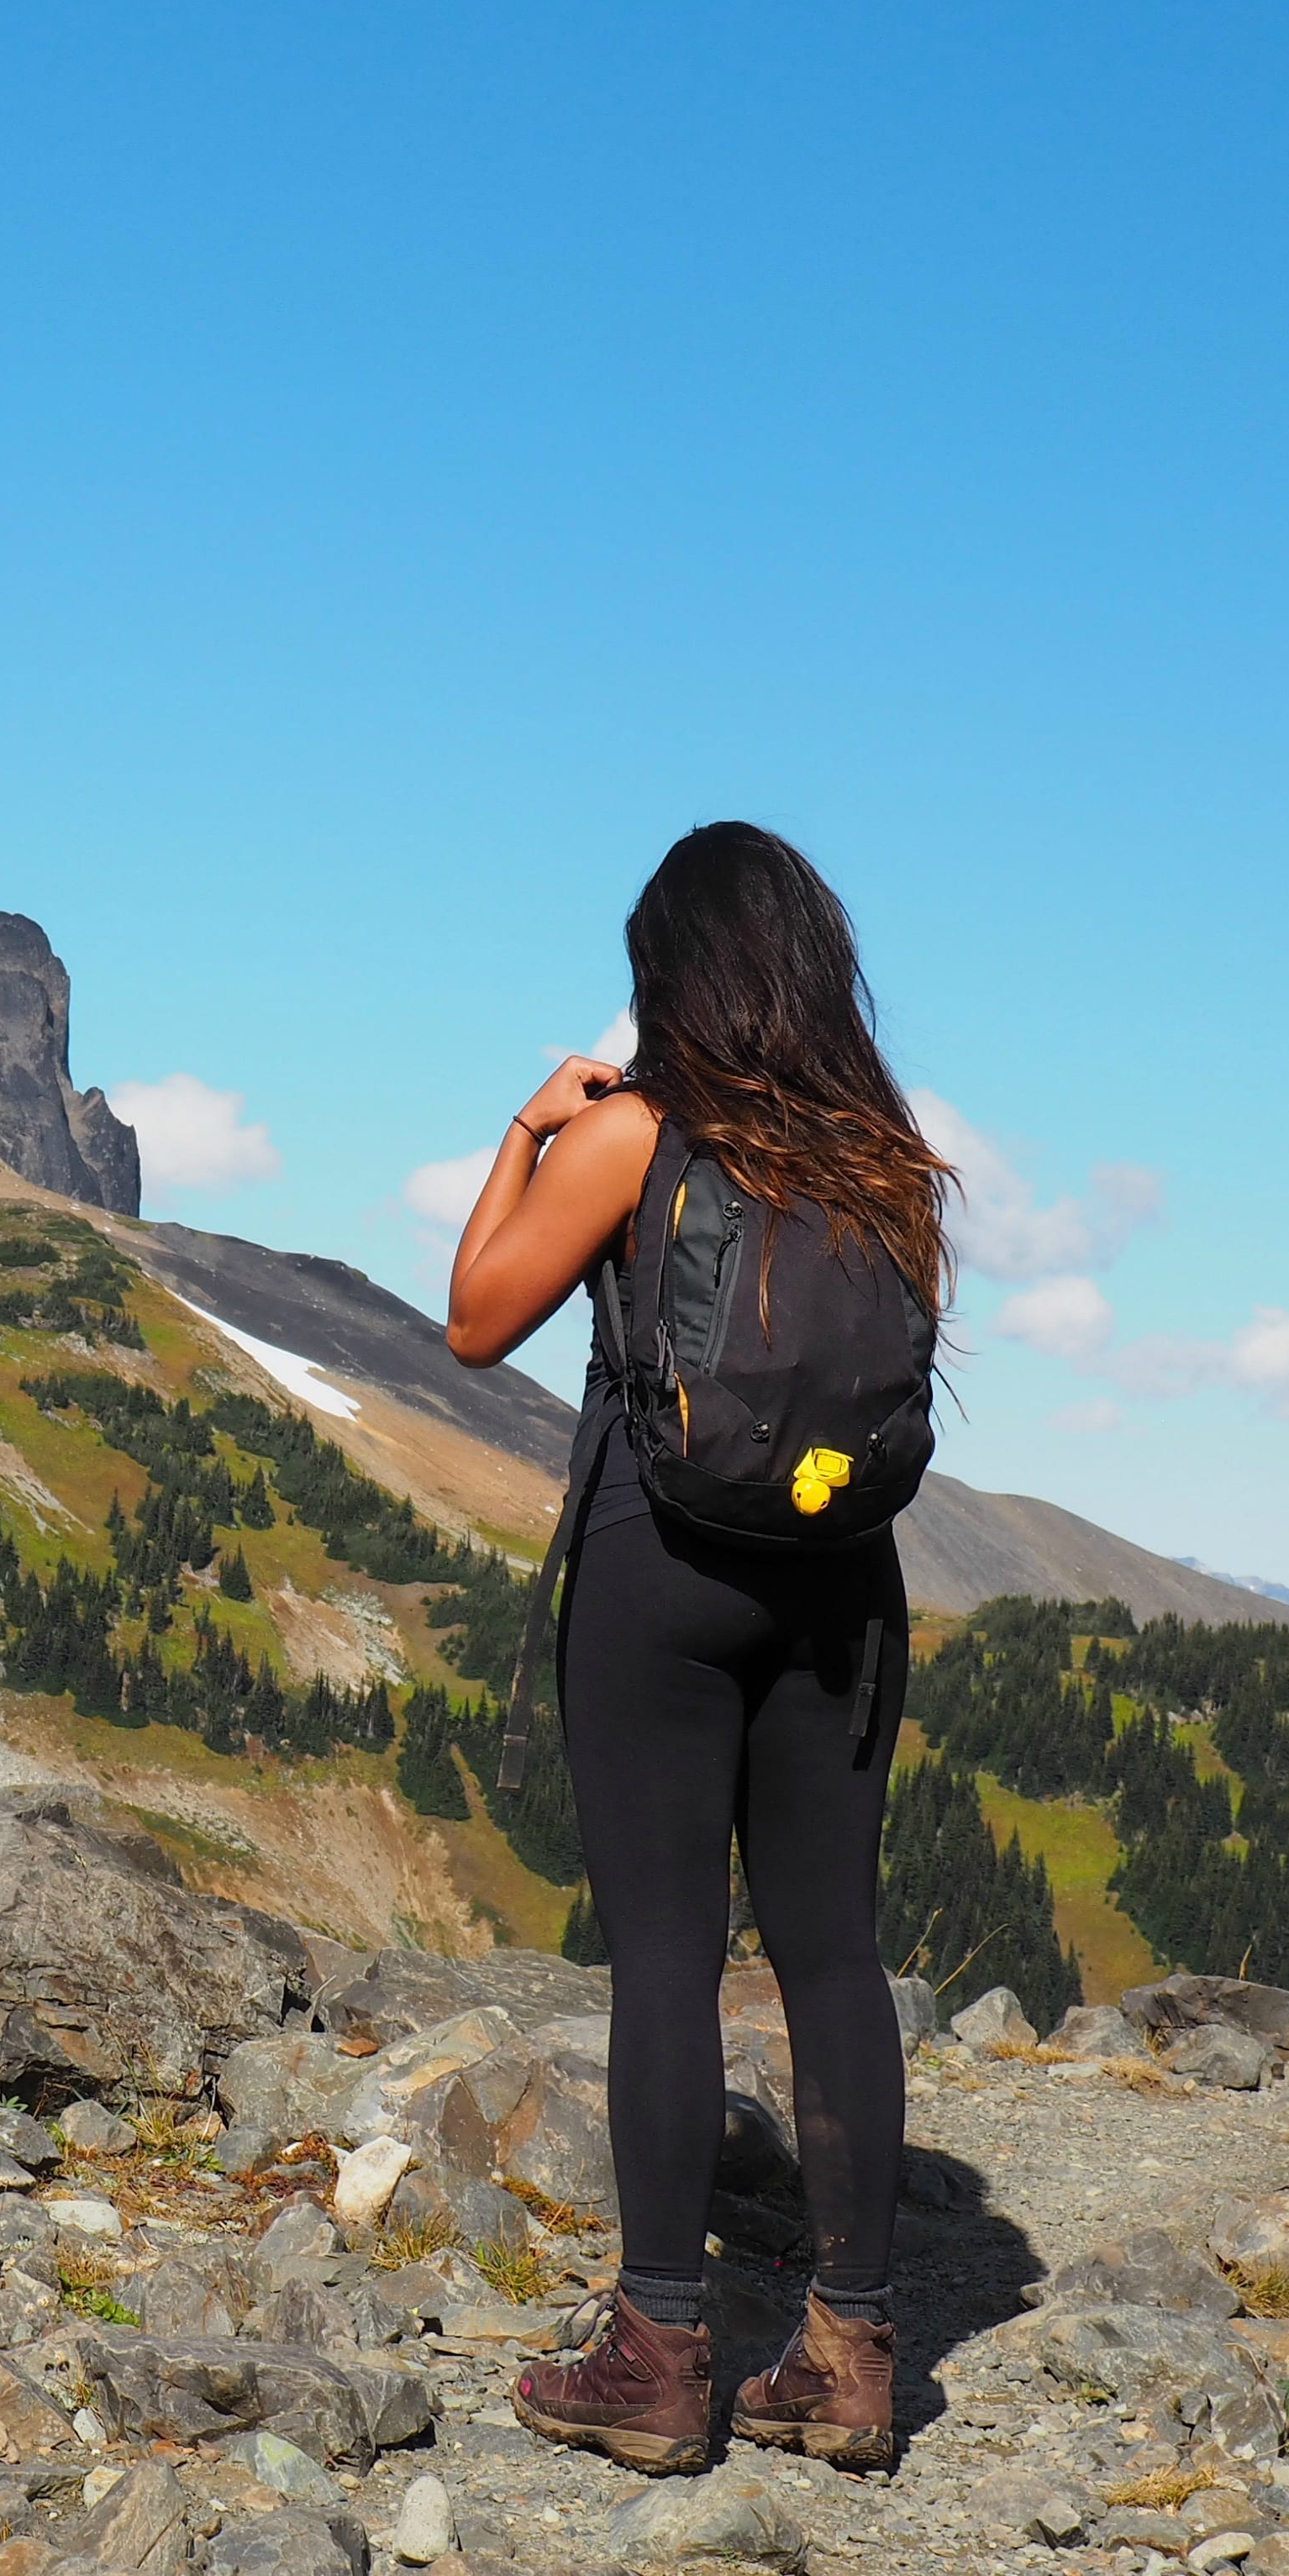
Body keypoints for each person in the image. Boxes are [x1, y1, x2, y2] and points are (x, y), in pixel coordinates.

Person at [440, 821, 955, 2474]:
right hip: (839, 1583)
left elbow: (471, 1315)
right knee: (828, 1954)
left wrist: (527, 1134)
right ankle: (851, 2355)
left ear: (669, 974)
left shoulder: (635, 1138)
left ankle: (657, 2358)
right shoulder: (887, 1164)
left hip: (655, 1563)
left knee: (663, 1951)